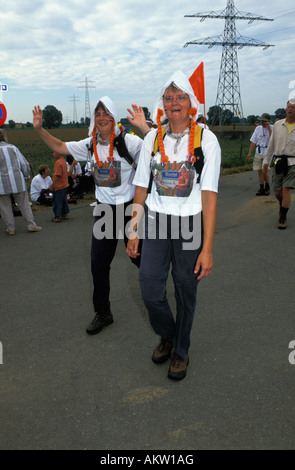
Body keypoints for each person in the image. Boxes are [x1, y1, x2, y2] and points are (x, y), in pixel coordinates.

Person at [126, 70, 221, 381]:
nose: (174, 102)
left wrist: (207, 248)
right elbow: (141, 186)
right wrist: (133, 229)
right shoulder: (152, 138)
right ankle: (168, 334)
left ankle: (180, 349)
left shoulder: (206, 140)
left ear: (190, 103)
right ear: (163, 105)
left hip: (190, 223)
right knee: (149, 288)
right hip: (155, 220)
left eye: (180, 97)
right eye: (169, 98)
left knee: (185, 289)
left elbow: (209, 197)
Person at [33, 97, 150, 333]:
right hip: (105, 211)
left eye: (106, 114)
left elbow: (156, 149)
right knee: (98, 265)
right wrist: (39, 129)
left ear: (114, 117)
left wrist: (145, 128)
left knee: (142, 261)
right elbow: (59, 147)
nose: (102, 118)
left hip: (130, 209)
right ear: (94, 120)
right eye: (97, 114)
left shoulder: (129, 141)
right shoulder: (89, 145)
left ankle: (157, 301)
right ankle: (103, 312)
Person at [0, 129, 42, 235]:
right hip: (17, 181)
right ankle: (31, 224)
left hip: (1, 184)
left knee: (5, 207)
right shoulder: (13, 148)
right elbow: (24, 163)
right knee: (24, 204)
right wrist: (27, 175)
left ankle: (10, 229)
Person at [263, 99, 295, 229]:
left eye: (293, 107)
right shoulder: (277, 124)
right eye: (289, 107)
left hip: (293, 162)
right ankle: (283, 205)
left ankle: (283, 217)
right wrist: (266, 160)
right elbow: (272, 144)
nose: (290, 109)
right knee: (277, 191)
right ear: (286, 109)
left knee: (286, 188)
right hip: (277, 161)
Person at [247, 113, 273, 196]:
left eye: (264, 121)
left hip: (267, 152)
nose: (262, 122)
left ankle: (267, 186)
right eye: (261, 121)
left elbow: (273, 139)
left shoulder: (272, 128)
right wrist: (250, 153)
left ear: (268, 121)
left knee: (264, 170)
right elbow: (253, 141)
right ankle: (261, 187)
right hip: (258, 151)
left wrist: (269, 128)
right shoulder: (258, 129)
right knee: (259, 170)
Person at [50, 152, 70, 222]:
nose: (53, 154)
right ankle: (65, 213)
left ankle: (58, 216)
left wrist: (53, 185)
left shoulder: (58, 163)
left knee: (57, 201)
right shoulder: (63, 161)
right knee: (64, 200)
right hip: (65, 184)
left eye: (54, 152)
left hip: (59, 186)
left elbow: (57, 175)